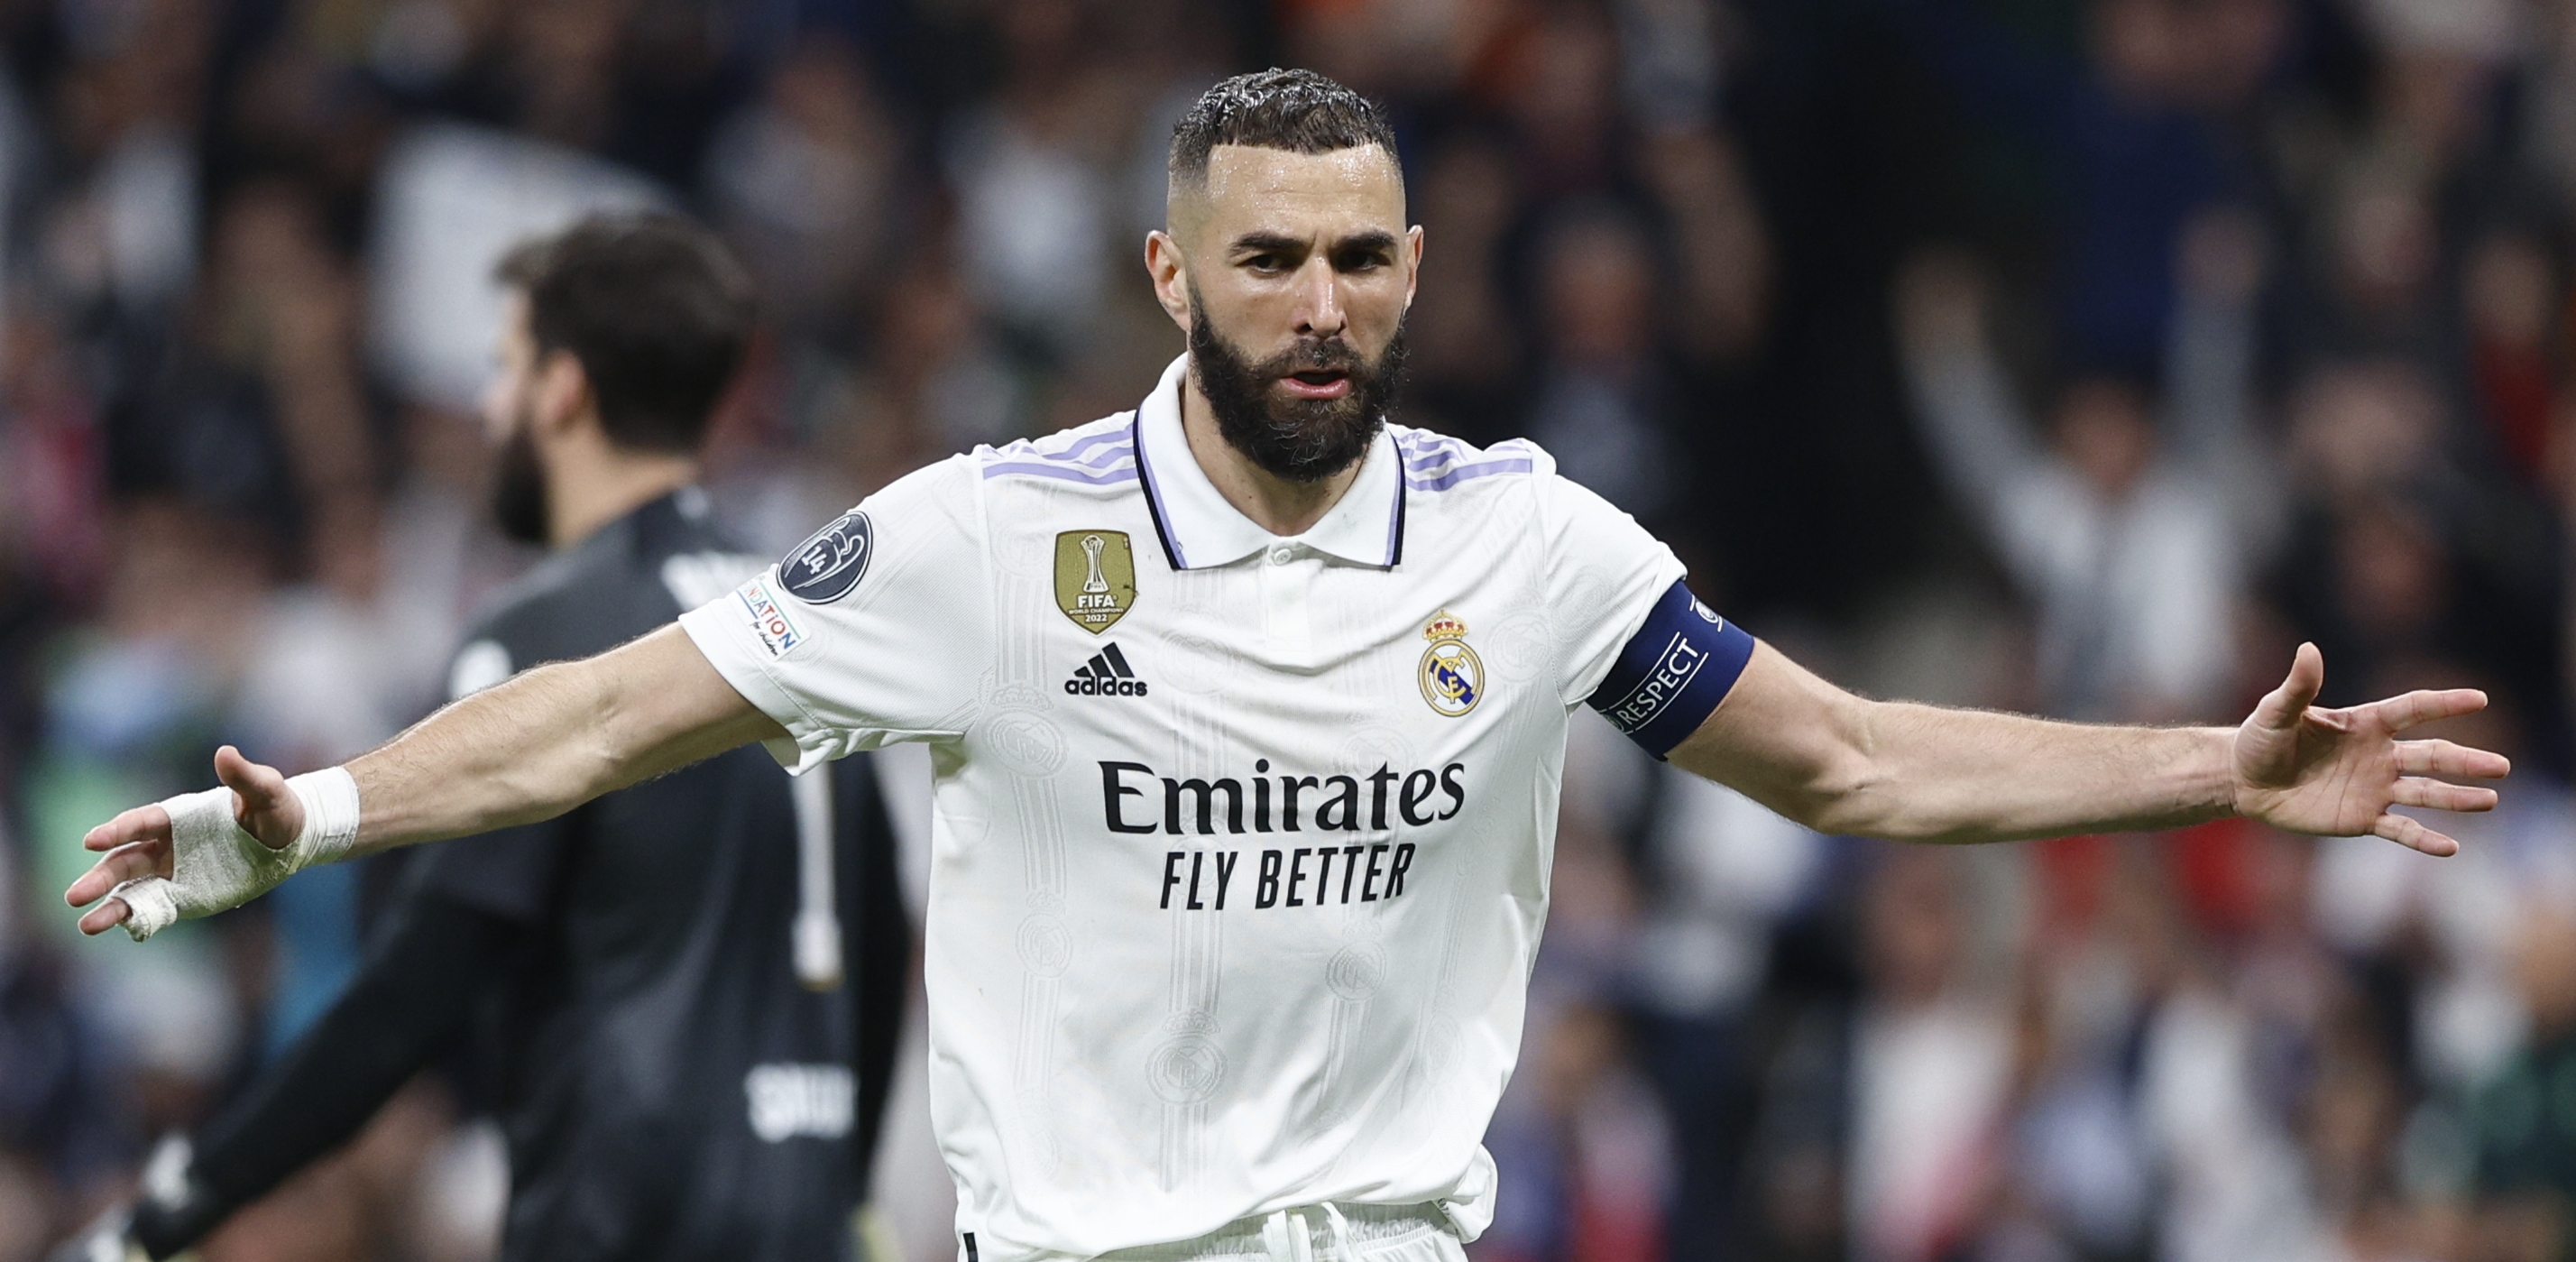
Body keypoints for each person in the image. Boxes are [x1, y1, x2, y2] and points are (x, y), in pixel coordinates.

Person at [66, 70, 2506, 1262]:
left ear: (1416, 268)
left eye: (1357, 258)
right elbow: (610, 703)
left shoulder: (1527, 540)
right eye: (1267, 263)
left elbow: (1852, 763)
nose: (1317, 303)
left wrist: (2207, 759)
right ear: (1170, 280)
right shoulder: (988, 541)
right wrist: (333, 809)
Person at [56, 217, 910, 1262]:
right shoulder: (811, 627)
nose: (488, 405)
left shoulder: (542, 637)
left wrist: (169, 1211)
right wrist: (844, 1192)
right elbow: (874, 944)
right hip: (811, 1217)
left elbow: (414, 990)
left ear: (563, 391)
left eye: (505, 370)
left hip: (621, 1213)